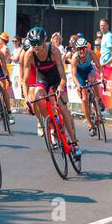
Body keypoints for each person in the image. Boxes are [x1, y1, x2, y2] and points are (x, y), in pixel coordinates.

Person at [23, 27, 82, 159]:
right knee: (38, 99)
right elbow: (25, 80)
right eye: (33, 44)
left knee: (62, 106)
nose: (36, 47)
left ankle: (74, 143)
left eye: (38, 43)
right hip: (42, 79)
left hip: (57, 79)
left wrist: (61, 87)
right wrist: (26, 97)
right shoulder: (29, 54)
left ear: (44, 41)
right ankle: (50, 123)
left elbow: (63, 77)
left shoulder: (53, 50)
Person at [71, 37, 105, 136]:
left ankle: (99, 100)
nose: (82, 51)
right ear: (77, 50)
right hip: (79, 75)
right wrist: (78, 85)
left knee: (92, 80)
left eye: (84, 48)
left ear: (86, 48)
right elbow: (73, 74)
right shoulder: (75, 58)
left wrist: (102, 76)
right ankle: (90, 125)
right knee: (85, 99)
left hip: (89, 70)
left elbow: (99, 66)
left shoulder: (91, 53)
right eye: (79, 49)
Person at [19, 38, 44, 137]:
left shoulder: (39, 51)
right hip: (31, 71)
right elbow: (22, 73)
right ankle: (39, 123)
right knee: (34, 97)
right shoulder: (23, 56)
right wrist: (22, 86)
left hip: (41, 69)